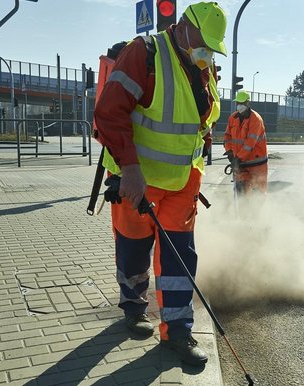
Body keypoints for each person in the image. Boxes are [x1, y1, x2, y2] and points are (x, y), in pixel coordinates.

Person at [92, 1, 226, 366]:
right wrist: (130, 169)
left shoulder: (204, 70)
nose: (207, 53)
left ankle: (178, 332)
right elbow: (109, 113)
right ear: (183, 26)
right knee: (134, 253)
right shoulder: (145, 53)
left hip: (183, 184)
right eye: (203, 43)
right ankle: (134, 308)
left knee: (180, 260)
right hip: (138, 181)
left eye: (212, 48)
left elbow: (201, 123)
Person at [223, 90, 268, 195]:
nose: (239, 106)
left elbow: (249, 144)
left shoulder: (256, 120)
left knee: (258, 193)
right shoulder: (233, 118)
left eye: (242, 103)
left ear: (248, 103)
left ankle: (258, 211)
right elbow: (227, 136)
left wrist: (237, 159)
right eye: (238, 103)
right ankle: (241, 211)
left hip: (256, 164)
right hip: (240, 163)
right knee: (240, 192)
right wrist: (229, 152)